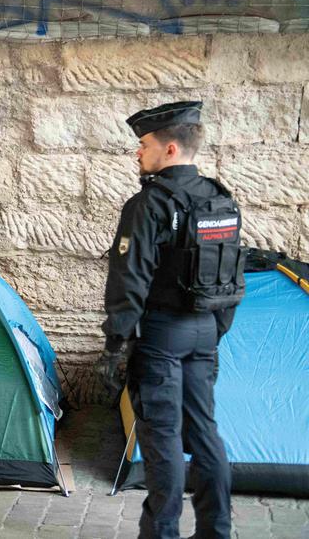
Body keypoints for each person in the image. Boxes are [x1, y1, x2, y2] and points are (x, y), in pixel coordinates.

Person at [94, 101, 242, 539]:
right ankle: (216, 531)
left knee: (161, 438)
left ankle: (161, 533)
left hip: (161, 334)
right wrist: (214, 331)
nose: (138, 153)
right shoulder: (220, 199)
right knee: (206, 433)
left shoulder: (148, 204)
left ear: (170, 148)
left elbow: (129, 281)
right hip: (205, 331)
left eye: (144, 144)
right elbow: (233, 276)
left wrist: (115, 345)